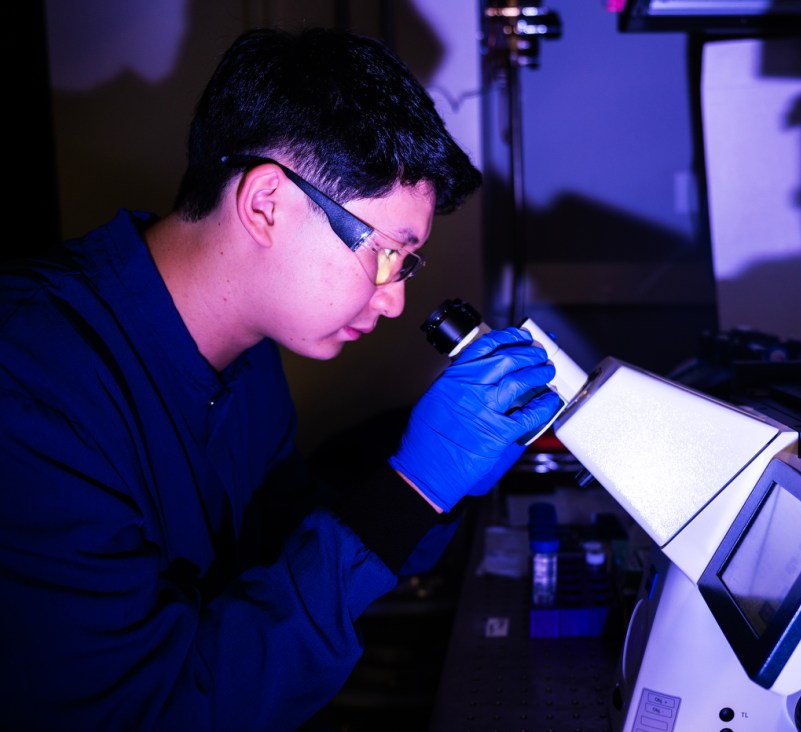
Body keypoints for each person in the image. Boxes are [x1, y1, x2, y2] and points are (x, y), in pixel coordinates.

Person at [0, 27, 561, 731]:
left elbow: (291, 548)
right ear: (267, 202)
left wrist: (432, 493)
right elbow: (155, 713)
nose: (393, 299)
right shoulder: (30, 382)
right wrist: (416, 483)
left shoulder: (245, 355)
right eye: (389, 255)